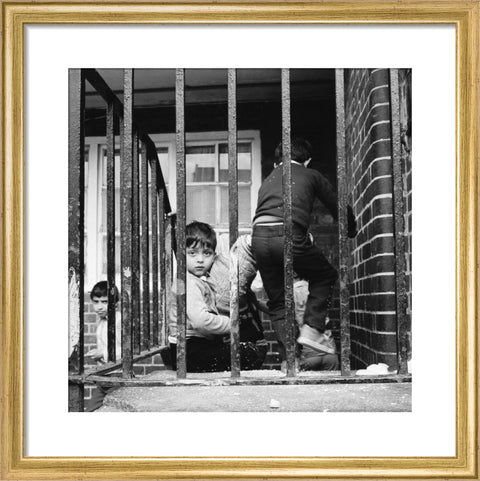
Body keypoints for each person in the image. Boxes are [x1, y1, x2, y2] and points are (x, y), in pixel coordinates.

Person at [251, 137, 356, 359]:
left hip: (258, 238)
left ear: (275, 163)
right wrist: (351, 229)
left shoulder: (268, 179)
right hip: (288, 234)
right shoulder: (310, 174)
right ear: (307, 161)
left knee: (278, 302)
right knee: (325, 275)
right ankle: (312, 328)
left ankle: (291, 359)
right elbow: (337, 206)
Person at [166, 221, 265, 372]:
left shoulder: (199, 280)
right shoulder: (188, 282)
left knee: (243, 350)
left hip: (192, 346)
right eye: (192, 253)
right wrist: (231, 324)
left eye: (206, 253)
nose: (200, 259)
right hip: (188, 350)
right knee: (249, 354)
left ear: (214, 255)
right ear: (181, 255)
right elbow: (200, 321)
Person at [85, 281, 121, 412]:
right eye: (96, 302)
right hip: (104, 378)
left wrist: (102, 353)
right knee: (90, 410)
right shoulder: (102, 321)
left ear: (115, 303)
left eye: (104, 302)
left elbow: (130, 351)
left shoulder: (118, 321)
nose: (99, 307)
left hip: (118, 377)